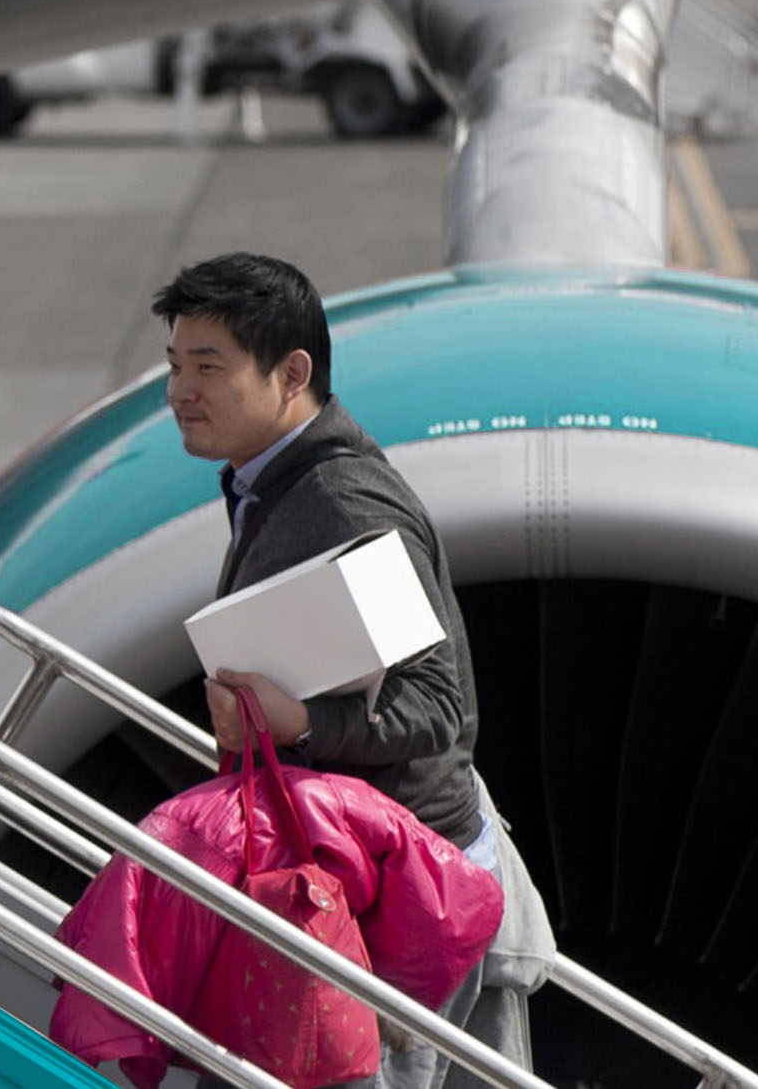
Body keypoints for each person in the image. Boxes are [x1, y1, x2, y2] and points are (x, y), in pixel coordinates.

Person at [157, 253, 550, 1089]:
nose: (180, 392)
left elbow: (440, 707)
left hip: (411, 892)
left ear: (292, 374)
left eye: (208, 368)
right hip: (385, 871)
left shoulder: (343, 504)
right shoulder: (272, 482)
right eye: (174, 366)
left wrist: (302, 724)